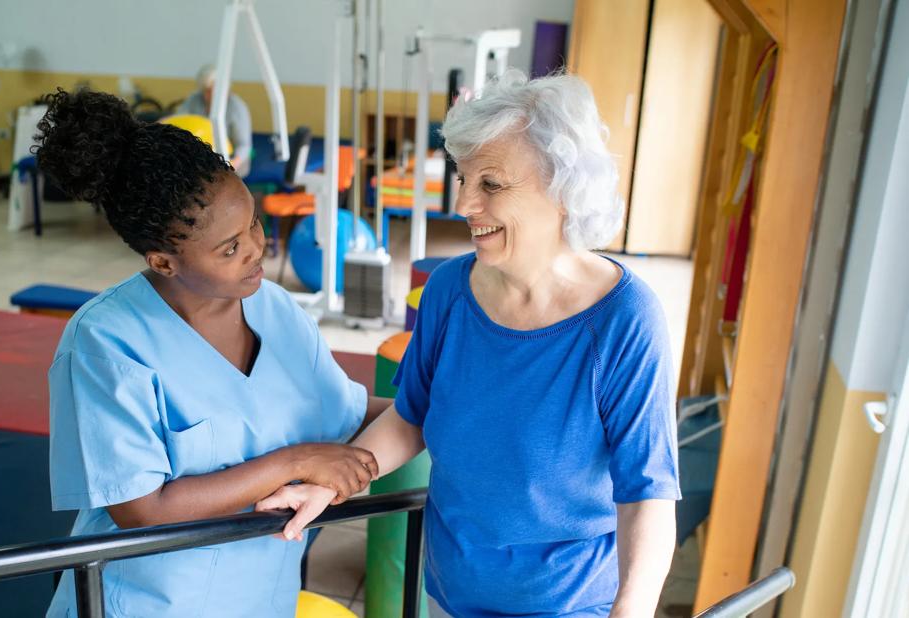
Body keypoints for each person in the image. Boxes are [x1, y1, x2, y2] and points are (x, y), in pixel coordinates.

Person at [258, 71, 681, 618]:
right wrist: (334, 484)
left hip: (569, 603)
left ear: (562, 186)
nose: (463, 203)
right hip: (453, 589)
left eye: (491, 184)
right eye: (463, 178)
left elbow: (648, 493)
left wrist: (634, 608)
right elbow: (412, 416)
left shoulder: (625, 319)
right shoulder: (449, 291)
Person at [36, 88, 387, 618]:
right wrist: (292, 462)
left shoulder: (276, 310)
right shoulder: (107, 342)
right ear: (164, 261)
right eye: (229, 248)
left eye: (252, 222)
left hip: (259, 593)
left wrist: (442, 403)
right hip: (150, 600)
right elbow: (142, 509)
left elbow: (349, 413)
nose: (255, 248)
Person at [178, 64, 253, 178]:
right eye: (206, 91)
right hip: (202, 155)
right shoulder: (194, 99)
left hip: (231, 158)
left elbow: (244, 145)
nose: (209, 95)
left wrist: (231, 165)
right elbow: (178, 121)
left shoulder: (237, 107)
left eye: (213, 91)